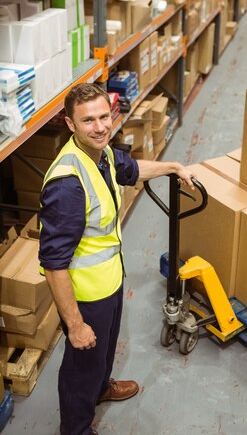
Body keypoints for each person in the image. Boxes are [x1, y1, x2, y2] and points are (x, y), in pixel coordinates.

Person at [39, 83, 194, 435]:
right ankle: (76, 429)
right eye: (88, 120)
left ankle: (101, 388)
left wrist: (173, 166)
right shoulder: (68, 183)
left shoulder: (103, 154)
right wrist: (75, 325)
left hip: (110, 279)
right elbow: (53, 264)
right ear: (70, 125)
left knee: (103, 351)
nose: (100, 127)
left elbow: (132, 170)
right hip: (86, 293)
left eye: (104, 116)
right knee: (83, 363)